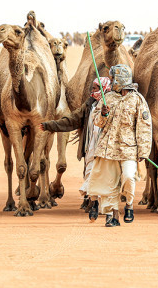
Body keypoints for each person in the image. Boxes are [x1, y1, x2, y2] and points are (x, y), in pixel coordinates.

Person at [82, 65, 152, 227]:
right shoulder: (107, 99)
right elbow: (97, 122)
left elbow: (144, 126)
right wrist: (103, 113)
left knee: (128, 177)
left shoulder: (137, 100)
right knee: (109, 184)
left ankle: (129, 204)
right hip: (108, 149)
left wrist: (143, 150)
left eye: (113, 78)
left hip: (128, 149)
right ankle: (112, 215)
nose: (111, 81)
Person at [39, 76, 109, 214]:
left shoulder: (114, 105)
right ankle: (95, 205)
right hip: (91, 148)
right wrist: (50, 125)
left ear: (103, 89)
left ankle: (106, 208)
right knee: (91, 176)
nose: (92, 91)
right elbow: (72, 120)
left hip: (108, 150)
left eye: (95, 88)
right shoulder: (90, 105)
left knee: (104, 178)